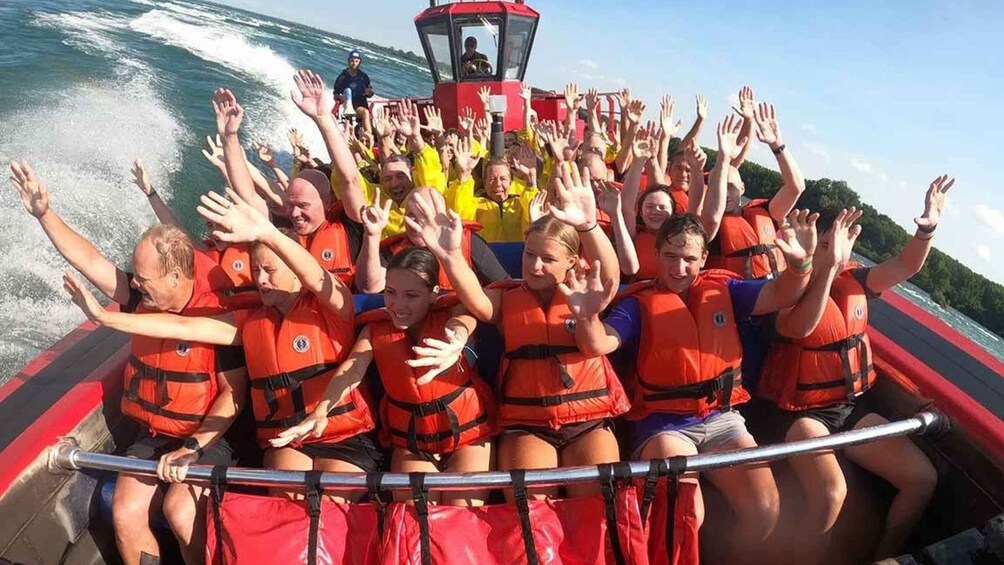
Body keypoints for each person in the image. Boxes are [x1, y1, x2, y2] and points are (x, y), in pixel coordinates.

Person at [563, 117, 819, 563]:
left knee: (767, 506)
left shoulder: (727, 289)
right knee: (687, 513)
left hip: (724, 419)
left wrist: (800, 266)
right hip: (664, 425)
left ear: (704, 258)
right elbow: (598, 345)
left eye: (688, 259)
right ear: (657, 254)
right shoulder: (638, 304)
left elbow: (783, 293)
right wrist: (586, 315)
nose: (679, 269)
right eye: (670, 257)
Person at [64, 187, 383, 502]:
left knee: (330, 508)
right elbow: (184, 326)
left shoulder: (335, 308)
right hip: (288, 438)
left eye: (270, 271)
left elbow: (318, 279)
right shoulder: (248, 320)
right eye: (257, 270)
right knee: (289, 502)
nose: (261, 279)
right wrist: (106, 319)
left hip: (346, 435)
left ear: (296, 274)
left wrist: (267, 232)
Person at [9, 162, 245, 565]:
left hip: (209, 437)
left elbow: (233, 395)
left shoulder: (219, 316)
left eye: (142, 277)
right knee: (124, 510)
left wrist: (193, 446)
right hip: (154, 432)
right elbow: (92, 262)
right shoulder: (144, 299)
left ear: (174, 277)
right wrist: (45, 214)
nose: (133, 284)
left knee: (179, 510)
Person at [756, 176, 952, 561]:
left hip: (847, 411)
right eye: (827, 244)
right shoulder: (784, 289)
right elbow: (800, 328)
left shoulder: (856, 282)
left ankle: (882, 555)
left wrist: (927, 225)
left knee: (920, 479)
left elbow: (907, 264)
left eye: (842, 246)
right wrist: (824, 267)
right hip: (797, 415)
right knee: (832, 492)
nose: (836, 253)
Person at [418, 162, 630, 500]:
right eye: (529, 254)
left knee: (601, 500)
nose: (533, 265)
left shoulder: (587, 290)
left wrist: (589, 225)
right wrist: (450, 255)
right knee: (531, 505)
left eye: (547, 259)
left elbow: (609, 278)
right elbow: (476, 301)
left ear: (571, 262)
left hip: (588, 419)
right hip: (527, 424)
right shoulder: (506, 297)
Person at [277, 247, 497, 506]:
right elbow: (352, 369)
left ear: (433, 295)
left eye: (411, 295)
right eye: (390, 293)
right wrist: (321, 411)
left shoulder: (453, 313)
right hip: (412, 443)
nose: (398, 305)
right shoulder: (375, 330)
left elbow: (463, 323)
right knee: (418, 515)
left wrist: (457, 340)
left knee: (462, 512)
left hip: (469, 436)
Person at [701, 103, 805, 280]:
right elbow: (711, 219)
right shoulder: (704, 220)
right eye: (720, 186)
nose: (726, 193)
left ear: (742, 188)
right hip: (730, 297)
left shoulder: (765, 212)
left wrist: (777, 145)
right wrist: (724, 158)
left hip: (771, 294)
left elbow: (796, 187)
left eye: (731, 187)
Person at [355, 186, 510, 293]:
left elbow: (504, 286)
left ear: (440, 216)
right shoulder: (396, 249)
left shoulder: (469, 242)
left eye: (423, 214)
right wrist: (371, 236)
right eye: (411, 214)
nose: (416, 221)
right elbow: (369, 288)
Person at [332, 49, 373, 114]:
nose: (354, 63)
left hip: (362, 104)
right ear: (348, 61)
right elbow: (335, 94)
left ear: (360, 62)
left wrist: (369, 93)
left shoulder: (364, 77)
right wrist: (340, 97)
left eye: (357, 61)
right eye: (352, 61)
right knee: (365, 113)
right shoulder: (343, 77)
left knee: (365, 113)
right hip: (348, 105)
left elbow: (370, 93)